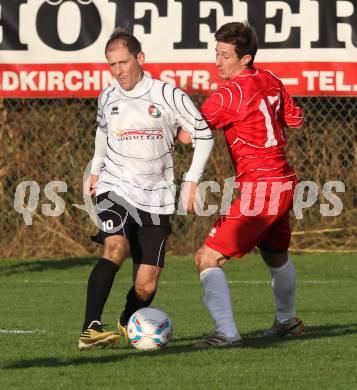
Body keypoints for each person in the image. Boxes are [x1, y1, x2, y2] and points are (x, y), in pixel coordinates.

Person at [79, 29, 213, 350]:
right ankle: (90, 328)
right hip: (115, 186)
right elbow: (102, 133)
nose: (118, 70)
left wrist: (193, 179)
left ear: (140, 58)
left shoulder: (168, 95)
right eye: (112, 64)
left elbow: (204, 134)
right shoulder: (108, 97)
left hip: (157, 197)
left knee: (145, 284)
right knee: (115, 247)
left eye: (123, 62)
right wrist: (96, 171)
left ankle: (128, 321)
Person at [194, 22, 304, 348]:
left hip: (262, 187)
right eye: (216, 53)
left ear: (244, 59)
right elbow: (296, 119)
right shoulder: (271, 79)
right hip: (283, 181)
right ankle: (287, 320)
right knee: (276, 255)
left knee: (207, 258)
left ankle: (226, 333)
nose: (217, 61)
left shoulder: (229, 93)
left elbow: (192, 132)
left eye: (225, 55)